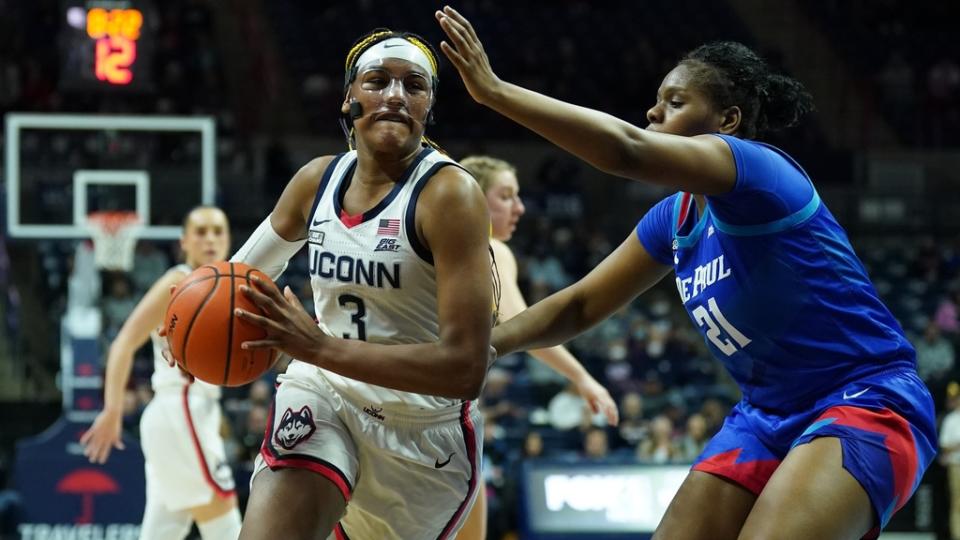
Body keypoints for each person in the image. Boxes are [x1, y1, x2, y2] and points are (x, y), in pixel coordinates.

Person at [436, 7, 937, 539]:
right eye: (654, 104)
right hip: (765, 415)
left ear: (727, 122)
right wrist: (482, 347)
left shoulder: (758, 171)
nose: (653, 115)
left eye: (674, 103)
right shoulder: (672, 218)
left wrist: (495, 93)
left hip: (867, 398)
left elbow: (625, 149)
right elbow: (581, 306)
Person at [192, 29, 494, 540]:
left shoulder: (451, 196)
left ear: (429, 106)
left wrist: (319, 346)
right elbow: (237, 280)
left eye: (413, 85)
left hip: (421, 432)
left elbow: (465, 370)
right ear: (350, 99)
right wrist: (187, 327)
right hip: (324, 393)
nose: (395, 95)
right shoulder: (316, 181)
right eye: (378, 81)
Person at [458, 155, 619, 539]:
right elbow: (521, 327)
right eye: (507, 196)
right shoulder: (490, 247)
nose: (520, 207)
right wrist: (582, 377)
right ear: (474, 200)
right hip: (436, 416)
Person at [81, 207, 241, 540]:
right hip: (180, 409)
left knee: (164, 529)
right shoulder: (178, 280)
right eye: (200, 231)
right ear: (184, 241)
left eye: (217, 231)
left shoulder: (228, 282)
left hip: (188, 413)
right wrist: (112, 410)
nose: (210, 239)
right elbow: (123, 342)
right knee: (226, 524)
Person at [942, 382, 960, 540]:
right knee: (957, 503)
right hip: (956, 466)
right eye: (952, 398)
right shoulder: (950, 420)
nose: (953, 401)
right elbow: (945, 446)